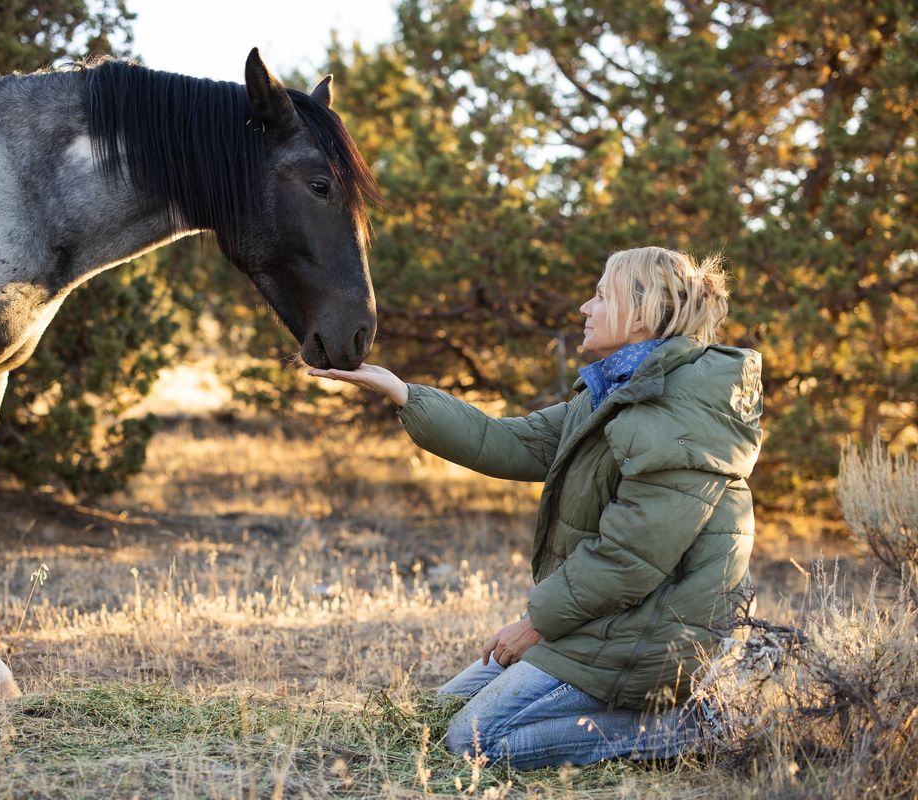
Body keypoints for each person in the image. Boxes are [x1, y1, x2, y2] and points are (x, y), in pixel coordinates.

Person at [308, 246, 763, 770]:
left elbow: (628, 558)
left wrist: (535, 625)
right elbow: (507, 442)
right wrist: (402, 392)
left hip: (661, 637)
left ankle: (689, 728)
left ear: (639, 316)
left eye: (598, 296)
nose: (584, 310)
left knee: (472, 743)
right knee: (437, 716)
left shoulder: (681, 412)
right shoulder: (611, 394)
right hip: (609, 623)